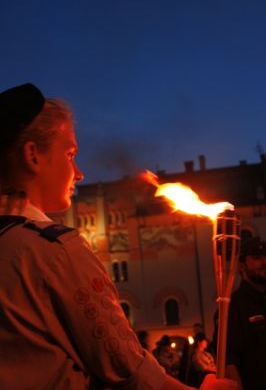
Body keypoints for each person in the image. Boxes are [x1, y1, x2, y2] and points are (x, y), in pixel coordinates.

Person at [0, 82, 237, 390]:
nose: (79, 172)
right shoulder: (55, 252)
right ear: (33, 155)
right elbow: (133, 374)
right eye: (70, 153)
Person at [225, 236, 266, 390]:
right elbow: (229, 361)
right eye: (257, 258)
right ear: (242, 266)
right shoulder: (234, 306)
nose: (264, 262)